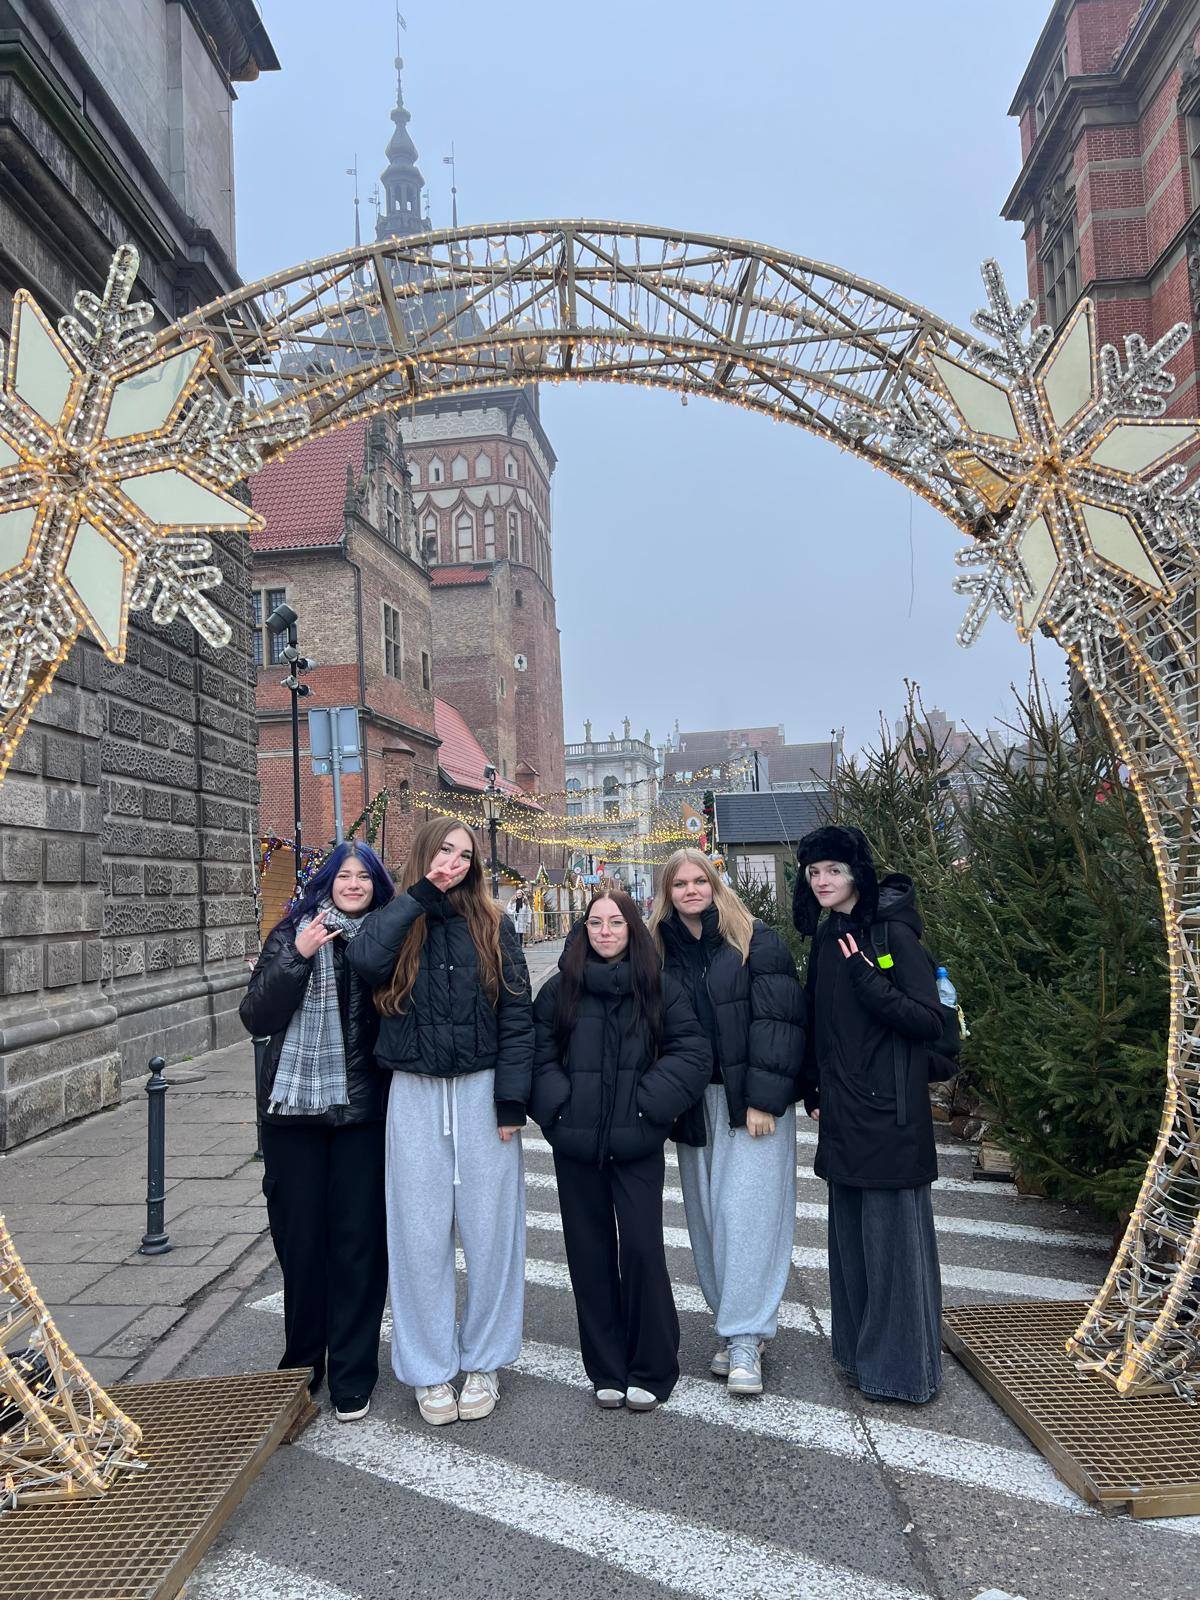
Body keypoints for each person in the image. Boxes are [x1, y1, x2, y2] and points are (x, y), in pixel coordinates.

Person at [348, 817, 533, 1427]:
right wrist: (421, 896)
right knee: (418, 1236)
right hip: (415, 1092)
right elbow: (365, 961)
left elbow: (517, 1014)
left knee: (491, 1234)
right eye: (446, 850)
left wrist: (512, 1101)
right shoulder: (396, 918)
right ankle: (429, 1367)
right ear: (427, 853)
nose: (456, 862)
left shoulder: (494, 924)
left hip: (481, 1091)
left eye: (466, 855)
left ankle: (484, 1361)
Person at [531, 891, 710, 1411]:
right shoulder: (561, 988)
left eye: (615, 922)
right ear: (584, 929)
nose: (605, 932)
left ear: (632, 928)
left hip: (636, 1143)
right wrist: (559, 1110)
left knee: (641, 1249)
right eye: (595, 923)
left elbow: (692, 1051)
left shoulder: (658, 986)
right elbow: (537, 1052)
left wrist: (648, 1105)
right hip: (577, 1144)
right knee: (588, 1255)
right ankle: (606, 1366)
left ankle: (653, 1365)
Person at [239, 841, 394, 1422]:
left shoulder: (389, 940)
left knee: (358, 1246)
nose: (353, 884)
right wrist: (298, 957)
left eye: (364, 876)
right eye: (343, 875)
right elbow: (256, 1015)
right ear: (326, 882)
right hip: (294, 1118)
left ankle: (353, 1373)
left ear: (377, 886)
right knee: (301, 1246)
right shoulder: (292, 933)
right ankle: (303, 1365)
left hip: (362, 1115)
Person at [793, 824, 945, 1405]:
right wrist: (812, 1085)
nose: (822, 880)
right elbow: (819, 1017)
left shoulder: (891, 932)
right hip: (844, 1109)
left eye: (833, 869)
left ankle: (902, 1373)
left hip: (890, 1113)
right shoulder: (828, 934)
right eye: (814, 872)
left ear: (856, 872)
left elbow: (929, 1021)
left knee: (892, 1250)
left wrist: (867, 978)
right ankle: (859, 1359)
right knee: (852, 1245)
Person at [649, 849, 806, 1397]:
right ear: (666, 893)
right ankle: (734, 1325)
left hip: (749, 1103)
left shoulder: (754, 940)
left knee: (749, 1220)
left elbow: (780, 1020)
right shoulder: (659, 950)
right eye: (679, 884)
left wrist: (764, 1099)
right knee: (709, 1222)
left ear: (716, 885)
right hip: (695, 1105)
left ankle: (745, 1336)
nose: (691, 890)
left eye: (700, 880)